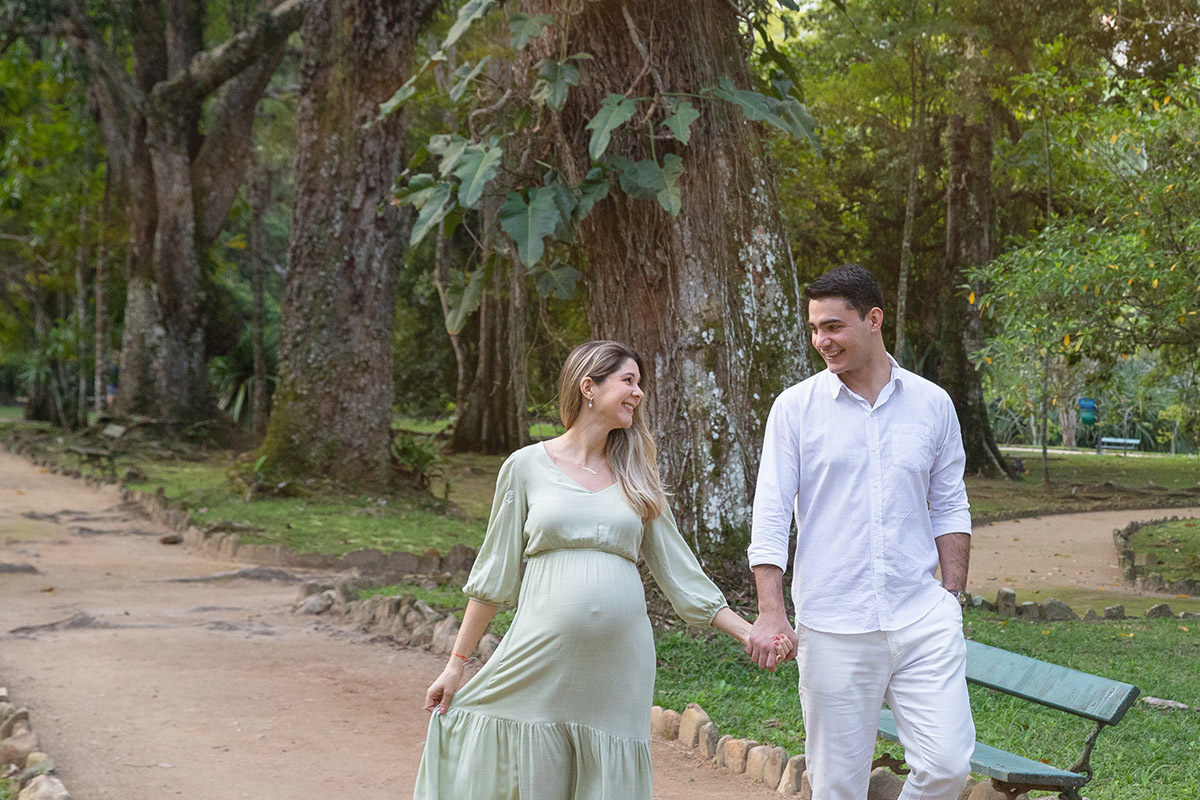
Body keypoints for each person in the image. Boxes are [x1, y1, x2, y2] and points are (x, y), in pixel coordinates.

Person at [413, 340, 785, 800]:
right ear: (589, 386)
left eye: (640, 383)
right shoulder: (525, 467)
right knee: (534, 772)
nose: (639, 393)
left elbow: (682, 576)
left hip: (618, 665)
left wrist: (748, 632)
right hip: (540, 656)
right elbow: (493, 576)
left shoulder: (637, 475)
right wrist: (455, 666)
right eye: (628, 381)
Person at [745, 264, 974, 800]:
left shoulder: (933, 403)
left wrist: (952, 597)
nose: (821, 341)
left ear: (873, 320)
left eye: (833, 327)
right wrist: (771, 609)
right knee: (838, 787)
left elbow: (949, 504)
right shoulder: (795, 409)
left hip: (922, 619)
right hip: (833, 627)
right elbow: (772, 514)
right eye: (815, 330)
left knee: (946, 767)